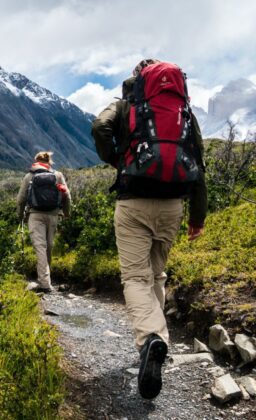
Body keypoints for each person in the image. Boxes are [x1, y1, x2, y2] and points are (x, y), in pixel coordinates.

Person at [91, 59, 208, 399]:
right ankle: (155, 339)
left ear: (138, 79)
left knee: (135, 278)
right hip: (173, 204)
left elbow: (100, 127)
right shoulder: (182, 111)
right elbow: (198, 163)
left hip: (134, 202)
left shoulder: (127, 104)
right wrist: (197, 217)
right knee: (156, 275)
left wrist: (116, 159)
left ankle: (150, 339)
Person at [16, 151, 71, 293]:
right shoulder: (57, 175)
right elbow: (67, 196)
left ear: (36, 161)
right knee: (49, 246)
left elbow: (21, 199)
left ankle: (45, 283)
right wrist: (66, 213)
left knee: (40, 247)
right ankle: (46, 279)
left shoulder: (29, 176)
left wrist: (21, 217)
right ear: (50, 162)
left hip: (35, 215)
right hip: (53, 215)